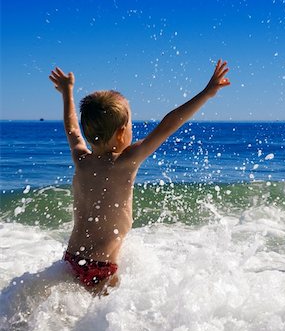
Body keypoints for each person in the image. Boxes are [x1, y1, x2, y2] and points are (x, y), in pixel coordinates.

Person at [49, 59, 230, 295]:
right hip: (102, 268)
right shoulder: (125, 161)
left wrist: (67, 92)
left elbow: (72, 129)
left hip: (71, 261)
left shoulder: (81, 159)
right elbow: (169, 123)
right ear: (123, 131)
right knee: (100, 323)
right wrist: (206, 93)